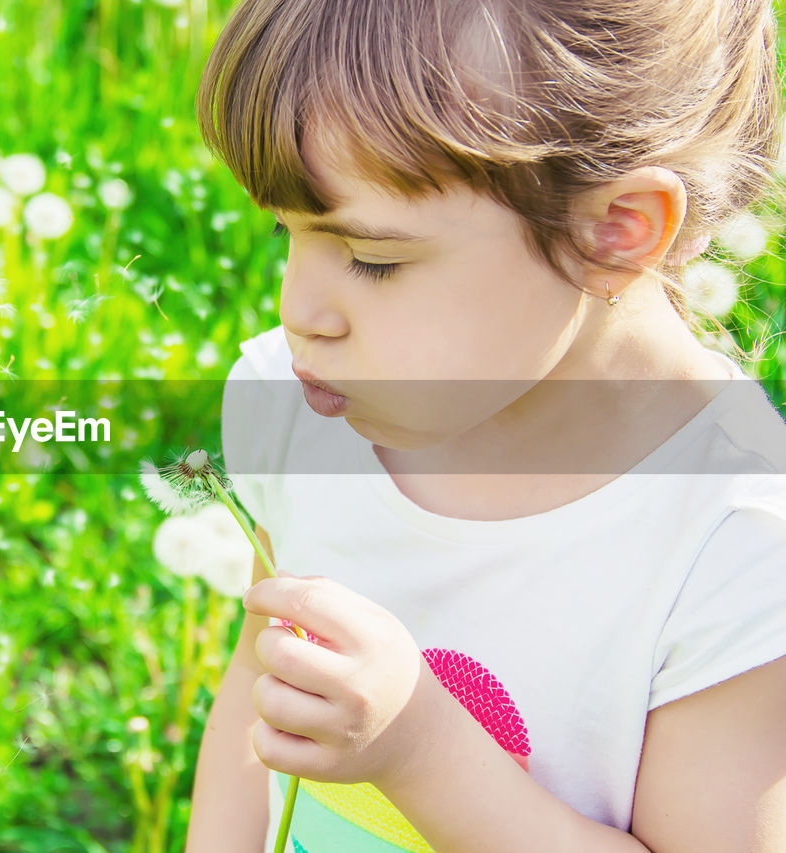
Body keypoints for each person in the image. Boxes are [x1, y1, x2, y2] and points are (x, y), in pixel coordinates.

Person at [186, 0, 786, 851]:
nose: (297, 312)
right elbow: (259, 683)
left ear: (616, 231)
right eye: (286, 232)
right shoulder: (299, 412)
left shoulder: (733, 547)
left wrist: (421, 750)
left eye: (372, 258)